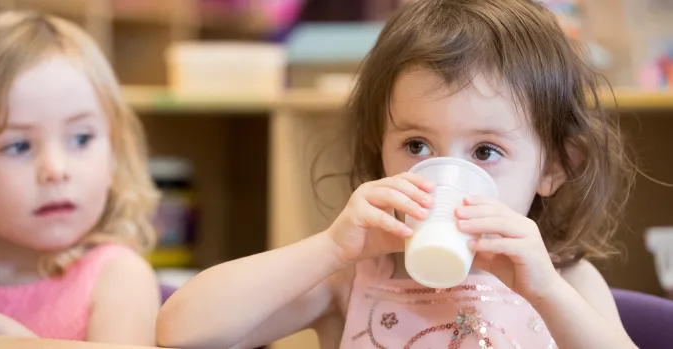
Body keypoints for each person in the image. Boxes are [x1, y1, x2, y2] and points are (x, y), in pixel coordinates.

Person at [157, 0, 638, 348]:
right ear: (378, 149)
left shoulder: (565, 280)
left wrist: (548, 293)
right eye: (416, 145)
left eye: (486, 150)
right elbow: (180, 332)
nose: (445, 178)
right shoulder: (350, 279)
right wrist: (329, 250)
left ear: (553, 168)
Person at [0, 11, 161, 345]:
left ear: (115, 151)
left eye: (81, 139)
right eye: (18, 146)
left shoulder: (118, 278)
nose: (56, 170)